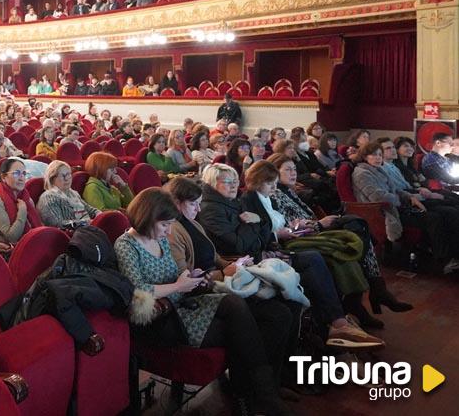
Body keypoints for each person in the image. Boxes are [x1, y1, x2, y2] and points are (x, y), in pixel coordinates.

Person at [115, 188, 292, 415]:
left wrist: (190, 277)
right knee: (241, 325)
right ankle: (260, 395)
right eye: (164, 225)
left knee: (239, 306)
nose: (168, 230)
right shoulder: (126, 245)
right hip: (162, 319)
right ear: (146, 218)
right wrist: (179, 286)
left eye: (170, 224)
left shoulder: (161, 240)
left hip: (181, 302)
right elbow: (137, 289)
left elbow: (173, 276)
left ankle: (259, 394)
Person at [196, 163, 384, 350]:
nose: (234, 185)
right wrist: (254, 224)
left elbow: (261, 234)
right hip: (245, 261)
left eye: (235, 180)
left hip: (262, 252)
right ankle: (335, 326)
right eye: (228, 181)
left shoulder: (231, 202)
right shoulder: (213, 209)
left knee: (322, 259)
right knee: (314, 260)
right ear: (212, 183)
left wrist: (266, 239)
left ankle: (336, 325)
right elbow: (238, 243)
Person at [267, 153, 412, 323]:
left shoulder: (289, 192)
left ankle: (367, 296)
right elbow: (287, 229)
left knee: (358, 227)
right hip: (303, 240)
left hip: (315, 232)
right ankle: (374, 291)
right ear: (274, 173)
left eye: (294, 169)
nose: (294, 173)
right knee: (356, 229)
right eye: (288, 170)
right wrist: (319, 225)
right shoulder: (275, 194)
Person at [354, 141, 459, 273]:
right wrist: (406, 201)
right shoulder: (362, 173)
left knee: (445, 212)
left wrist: (410, 197)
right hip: (385, 212)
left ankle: (452, 253)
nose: (378, 158)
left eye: (380, 155)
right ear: (364, 157)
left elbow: (396, 190)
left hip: (397, 205)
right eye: (373, 155)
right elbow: (379, 197)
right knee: (434, 218)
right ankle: (444, 260)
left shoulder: (378, 170)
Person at [0, 158, 42, 243]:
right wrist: (22, 212)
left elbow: (38, 227)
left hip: (35, 241)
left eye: (24, 173)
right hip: (16, 249)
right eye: (16, 173)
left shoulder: (27, 198)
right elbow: (9, 239)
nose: (21, 178)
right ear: (3, 177)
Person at [37, 160, 99, 229]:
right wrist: (86, 223)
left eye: (68, 174)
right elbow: (57, 224)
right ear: (52, 178)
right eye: (63, 175)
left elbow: (90, 210)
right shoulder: (48, 197)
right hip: (71, 236)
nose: (67, 179)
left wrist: (100, 215)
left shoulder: (73, 193)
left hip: (87, 230)